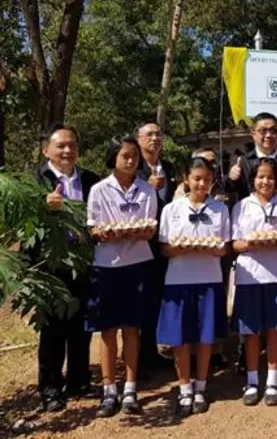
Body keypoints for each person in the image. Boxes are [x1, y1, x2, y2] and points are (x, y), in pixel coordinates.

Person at [86, 136, 158, 418]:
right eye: (125, 155)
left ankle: (130, 388)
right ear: (113, 157)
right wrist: (104, 233)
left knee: (132, 328)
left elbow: (150, 228)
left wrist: (133, 232)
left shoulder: (146, 190)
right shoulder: (99, 190)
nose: (131, 160)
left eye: (135, 156)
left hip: (137, 264)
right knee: (107, 330)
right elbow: (93, 227)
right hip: (106, 266)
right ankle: (108, 390)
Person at [34, 124, 101, 412]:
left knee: (80, 325)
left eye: (72, 145)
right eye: (60, 145)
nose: (67, 150)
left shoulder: (90, 180)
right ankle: (50, 387)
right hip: (50, 264)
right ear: (45, 149)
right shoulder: (35, 181)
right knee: (52, 328)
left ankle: (79, 380)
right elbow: (20, 222)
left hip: (84, 261)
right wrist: (42, 206)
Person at [156, 158, 230, 417]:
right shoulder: (171, 210)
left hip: (209, 278)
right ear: (186, 179)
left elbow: (224, 247)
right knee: (181, 338)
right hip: (178, 280)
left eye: (207, 180)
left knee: (205, 336)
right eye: (197, 178)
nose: (202, 184)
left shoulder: (220, 210)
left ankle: (202, 386)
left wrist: (213, 248)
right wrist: (182, 248)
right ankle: (184, 387)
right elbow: (165, 247)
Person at [231, 158, 277, 406]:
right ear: (252, 180)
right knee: (252, 332)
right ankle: (252, 379)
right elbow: (234, 244)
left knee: (275, 330)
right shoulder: (242, 207)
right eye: (260, 177)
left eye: (270, 177)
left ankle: (272, 381)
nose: (265, 181)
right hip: (250, 276)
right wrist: (250, 244)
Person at [135, 122, 178, 371]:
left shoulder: (168, 167)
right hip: (139, 241)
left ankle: (152, 351)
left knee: (158, 297)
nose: (155, 138)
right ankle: (137, 357)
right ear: (139, 139)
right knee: (140, 298)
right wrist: (147, 189)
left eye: (158, 134)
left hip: (165, 241)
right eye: (149, 134)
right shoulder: (133, 167)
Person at [226, 112, 277, 206]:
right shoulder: (242, 163)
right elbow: (227, 191)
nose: (268, 135)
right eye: (263, 131)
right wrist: (231, 179)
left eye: (273, 131)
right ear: (253, 134)